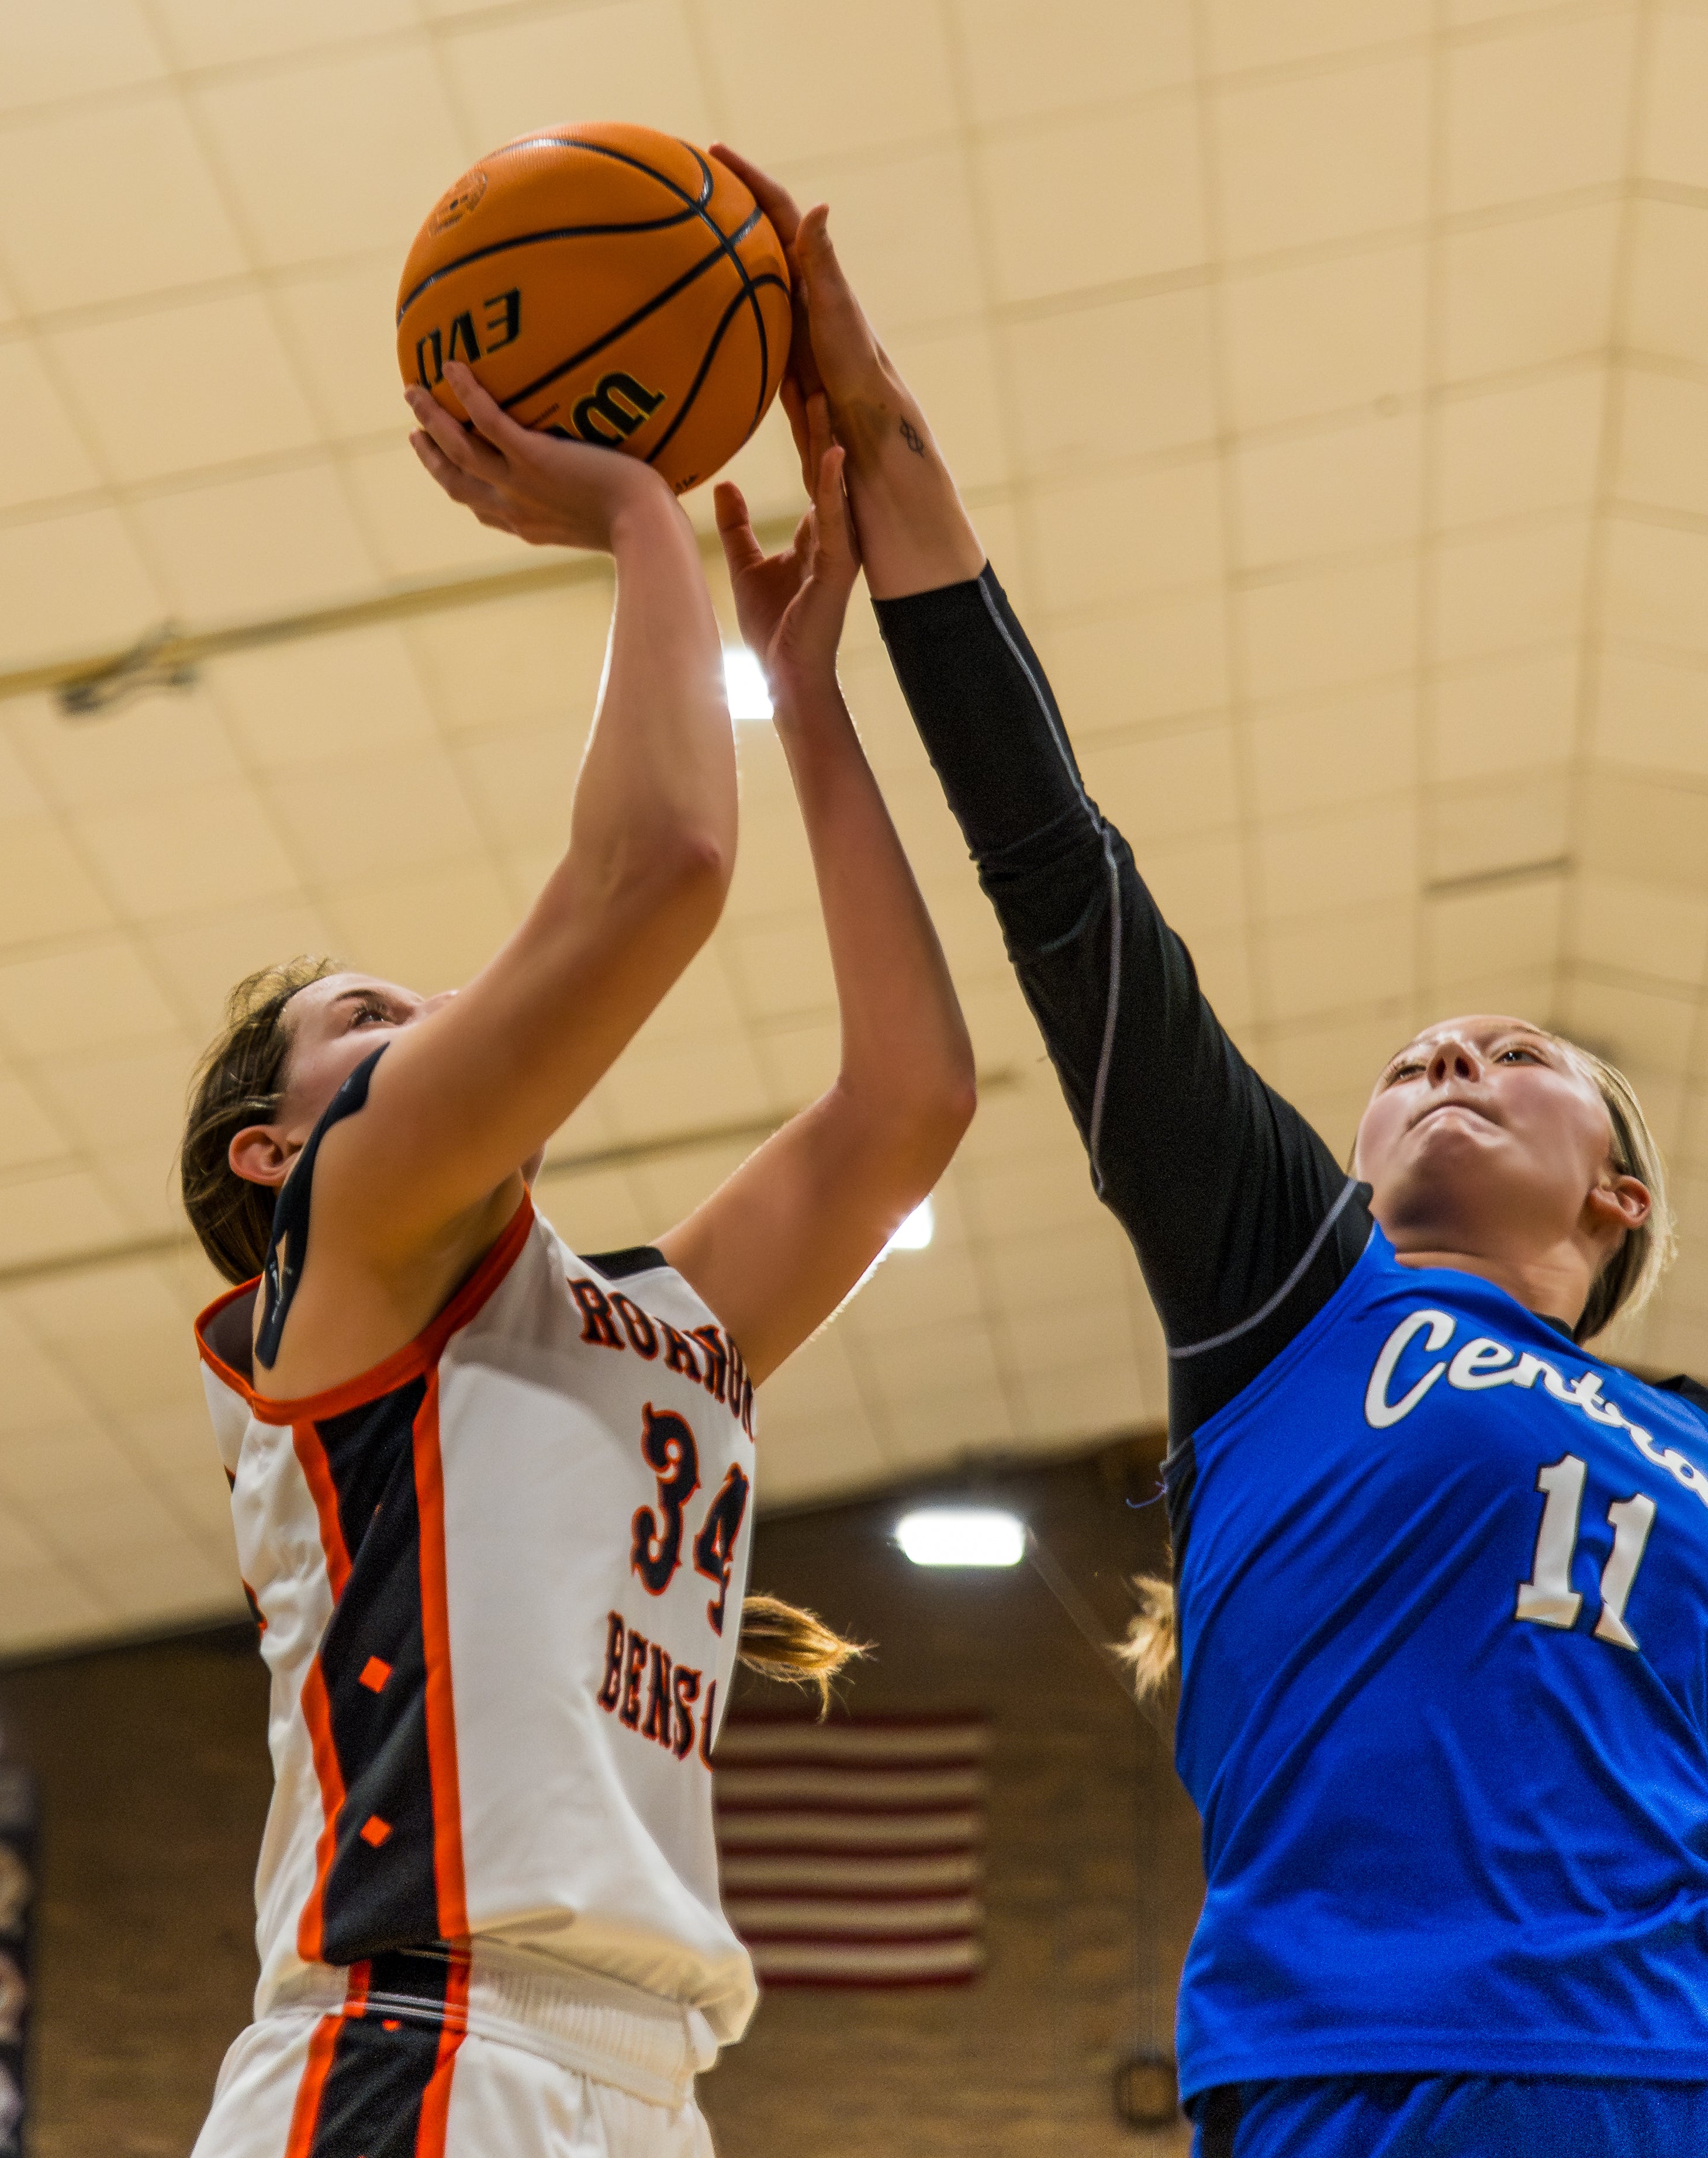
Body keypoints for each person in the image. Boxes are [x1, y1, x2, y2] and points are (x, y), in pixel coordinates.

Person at [708, 141, 1708, 2156]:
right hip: (1345, 2070)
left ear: (1616, 1194)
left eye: (1519, 1056)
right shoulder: (1291, 1285)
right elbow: (1062, 883)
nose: (1448, 1047)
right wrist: (884, 446)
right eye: (1419, 1049)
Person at [178, 360, 974, 2158]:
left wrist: (808, 702)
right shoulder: (357, 1231)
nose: (450, 1013)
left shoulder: (641, 1323)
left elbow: (910, 1097)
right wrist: (632, 514)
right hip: (416, 2049)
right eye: (370, 1018)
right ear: (272, 1149)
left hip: (635, 2082)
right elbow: (665, 863)